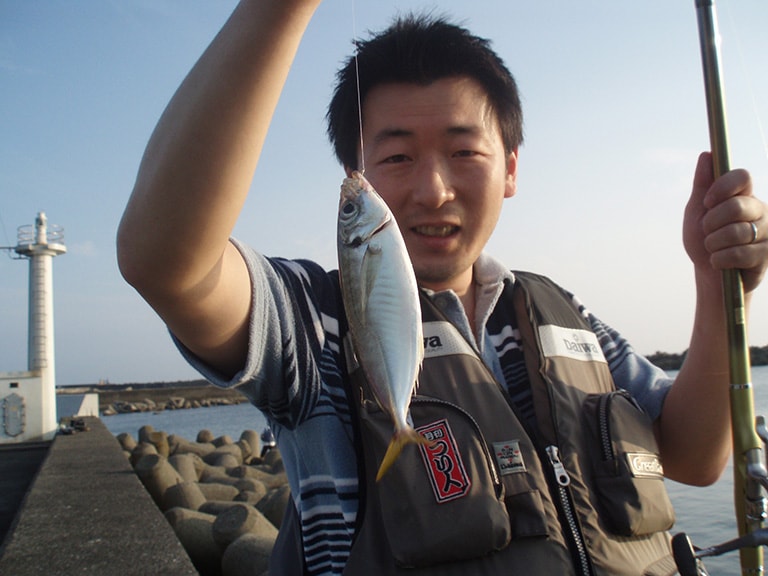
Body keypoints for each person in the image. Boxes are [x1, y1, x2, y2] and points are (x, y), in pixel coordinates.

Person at [117, 1, 768, 574]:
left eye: (464, 152)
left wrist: (719, 291)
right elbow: (168, 264)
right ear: (356, 174)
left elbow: (694, 456)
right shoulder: (313, 325)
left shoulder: (566, 316)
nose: (432, 190)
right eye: (397, 157)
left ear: (511, 168)